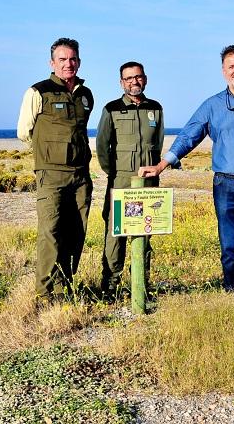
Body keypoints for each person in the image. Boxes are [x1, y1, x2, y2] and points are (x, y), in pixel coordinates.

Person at [139, 45, 234, 300]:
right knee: (230, 249)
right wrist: (162, 165)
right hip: (225, 187)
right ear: (223, 72)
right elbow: (190, 135)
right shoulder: (212, 105)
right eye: (231, 67)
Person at [16, 38, 94, 303]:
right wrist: (49, 153)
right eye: (62, 59)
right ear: (52, 63)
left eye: (72, 59)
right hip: (51, 174)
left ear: (79, 62)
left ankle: (65, 286)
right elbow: (24, 132)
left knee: (77, 230)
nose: (68, 64)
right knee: (50, 231)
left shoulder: (86, 95)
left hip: (81, 174)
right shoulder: (38, 92)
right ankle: (45, 293)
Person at [96, 61, 165, 301]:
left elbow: (158, 143)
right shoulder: (111, 108)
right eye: (129, 78)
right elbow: (103, 147)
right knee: (116, 234)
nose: (134, 82)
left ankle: (141, 285)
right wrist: (115, 173)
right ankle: (110, 286)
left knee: (146, 229)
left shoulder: (155, 108)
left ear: (144, 79)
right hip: (121, 182)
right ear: (121, 82)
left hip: (148, 183)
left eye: (138, 77)